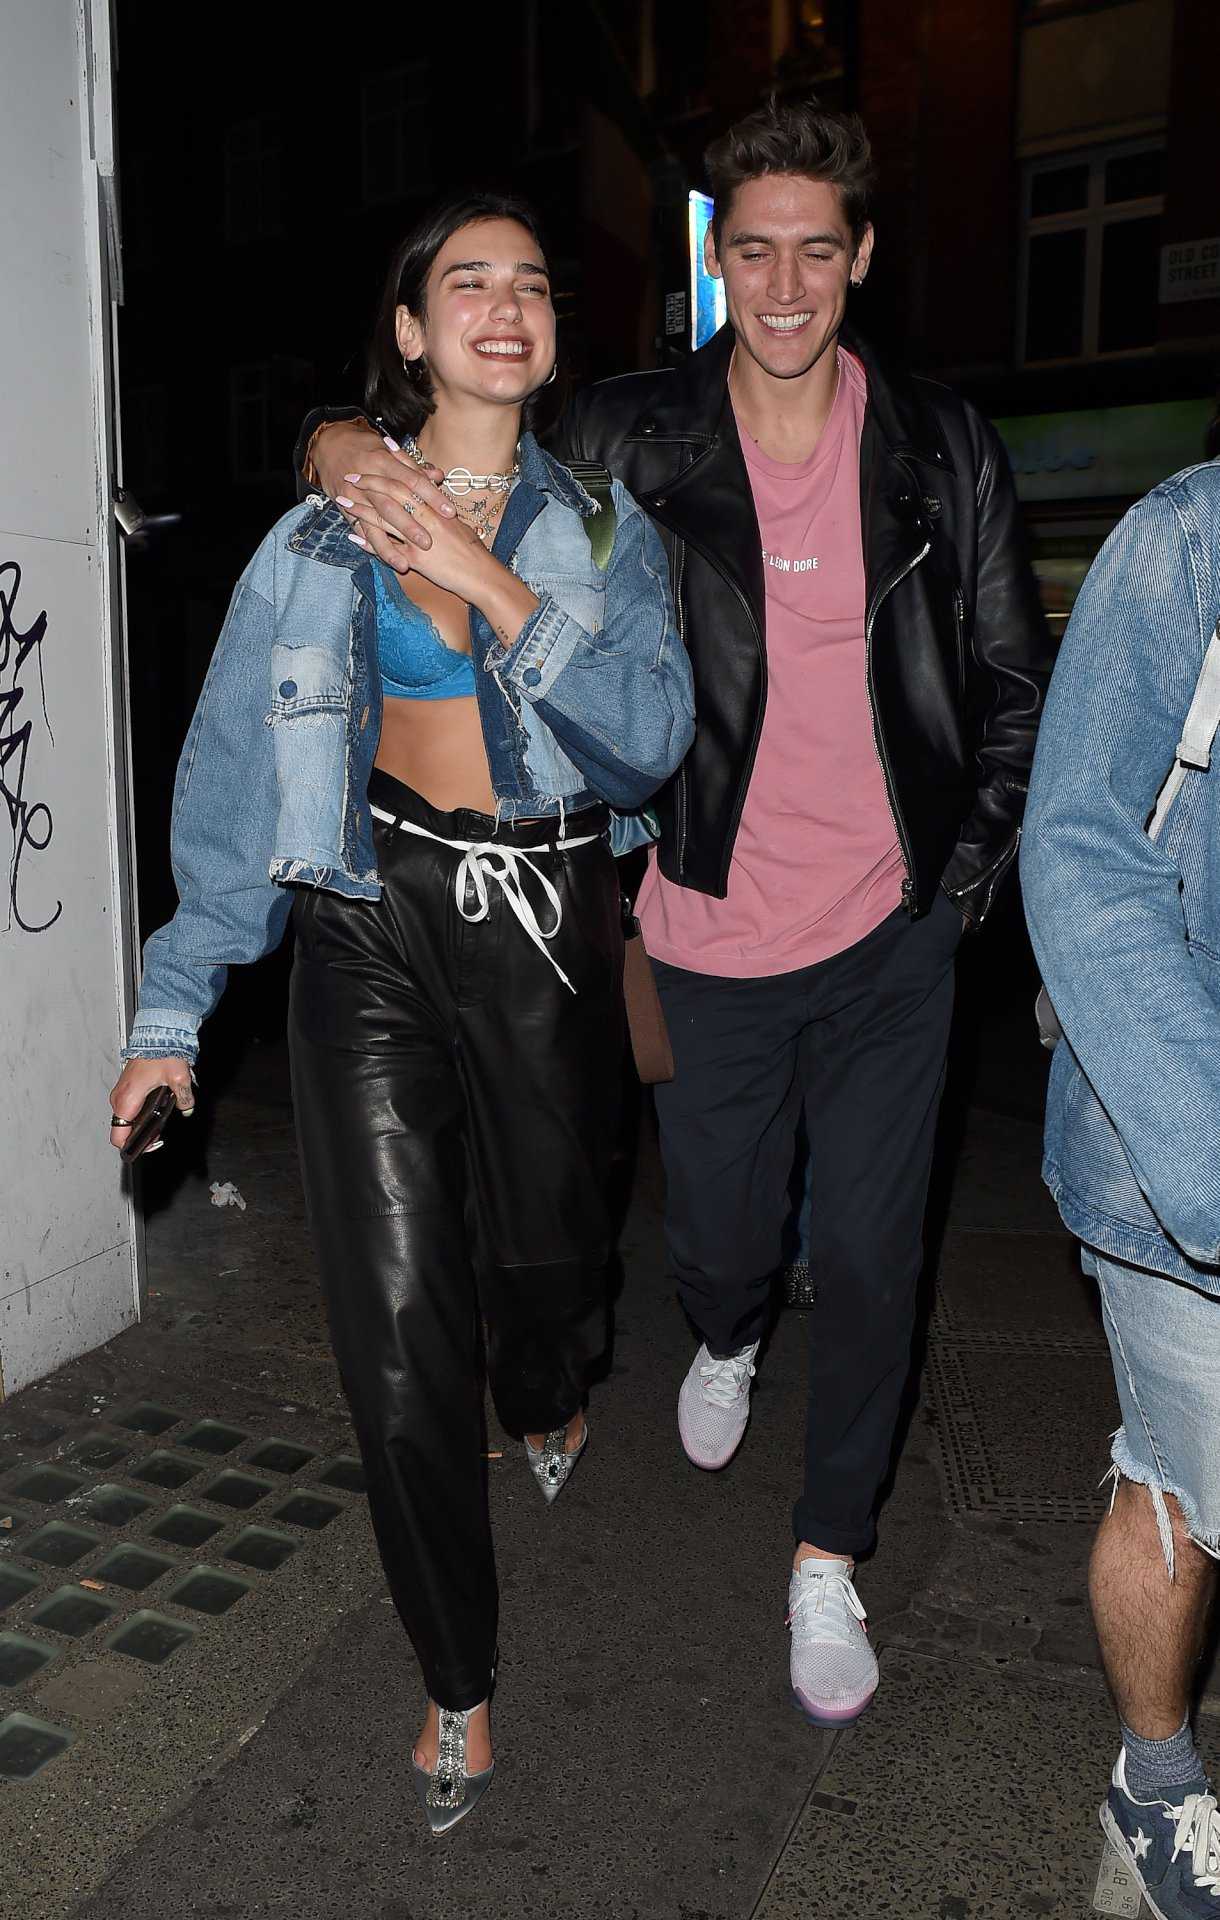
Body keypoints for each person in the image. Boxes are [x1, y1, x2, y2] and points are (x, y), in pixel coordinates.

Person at [298, 96, 1050, 1729]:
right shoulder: (633, 435)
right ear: (720, 260)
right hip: (705, 927)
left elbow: (1010, 683)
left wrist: (960, 889)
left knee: (874, 1258)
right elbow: (453, 433)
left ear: (860, 259)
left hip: (894, 934)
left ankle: (827, 1555)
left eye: (815, 253)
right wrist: (336, 446)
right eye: (752, 252)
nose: (783, 287)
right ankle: (724, 1330)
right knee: (719, 1242)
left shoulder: (942, 448)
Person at [108, 190, 693, 1832]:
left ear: (551, 337)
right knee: (395, 1315)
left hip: (548, 918)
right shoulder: (315, 537)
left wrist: (486, 580)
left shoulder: (604, 529)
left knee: (548, 1267)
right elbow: (238, 779)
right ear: (412, 332)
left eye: (531, 287)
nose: (505, 307)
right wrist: (173, 1008)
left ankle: (551, 1380)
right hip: (367, 920)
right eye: (466, 284)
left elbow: (651, 739)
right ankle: (455, 1670)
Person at [1022, 459, 1220, 1918]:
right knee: (1183, 1473)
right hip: (1178, 1152)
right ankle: (1155, 1783)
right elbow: (1082, 853)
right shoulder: (1187, 546)